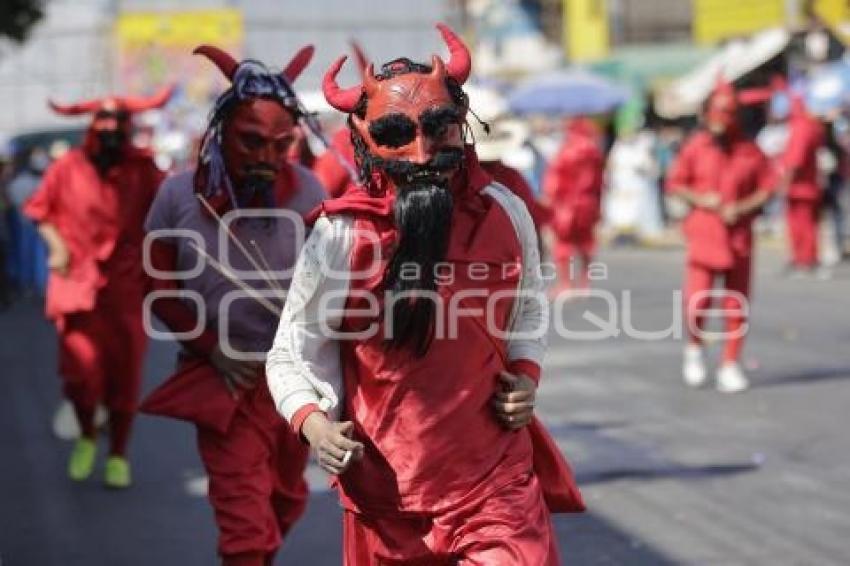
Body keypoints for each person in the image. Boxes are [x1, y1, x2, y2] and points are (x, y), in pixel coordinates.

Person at [266, 24, 583, 565]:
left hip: (495, 487)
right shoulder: (342, 235)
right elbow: (291, 348)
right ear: (367, 143)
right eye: (396, 135)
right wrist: (316, 425)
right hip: (388, 497)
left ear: (463, 126)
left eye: (438, 129)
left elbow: (528, 303)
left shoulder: (504, 211)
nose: (420, 153)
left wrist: (526, 376)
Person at [141, 44, 325, 566]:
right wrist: (210, 347)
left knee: (284, 502)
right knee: (244, 525)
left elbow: (332, 283)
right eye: (252, 141)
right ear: (222, 133)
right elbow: (155, 286)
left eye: (280, 144)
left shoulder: (309, 189)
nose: (266, 157)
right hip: (224, 381)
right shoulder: (177, 196)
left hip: (294, 384)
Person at [23, 86, 172, 487]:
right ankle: (88, 433)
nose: (109, 128)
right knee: (80, 378)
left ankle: (119, 454)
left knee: (125, 379)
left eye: (118, 122)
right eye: (102, 120)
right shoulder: (66, 167)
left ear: (128, 127)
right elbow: (39, 210)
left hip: (126, 290)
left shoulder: (144, 170)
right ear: (91, 126)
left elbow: (173, 209)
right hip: (76, 287)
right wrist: (55, 246)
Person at [666, 79, 776, 393]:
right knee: (697, 301)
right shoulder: (695, 147)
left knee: (736, 304)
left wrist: (741, 207)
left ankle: (730, 363)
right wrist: (701, 200)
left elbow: (767, 187)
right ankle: (695, 347)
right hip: (704, 233)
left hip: (739, 236)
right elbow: (675, 183)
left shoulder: (751, 151)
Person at [543, 117, 605, 293]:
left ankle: (566, 283)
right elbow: (600, 182)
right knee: (586, 242)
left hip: (567, 205)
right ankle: (585, 282)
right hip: (588, 203)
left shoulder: (566, 152)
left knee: (563, 244)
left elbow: (555, 181)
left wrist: (550, 200)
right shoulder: (595, 153)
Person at [776, 91, 825, 275]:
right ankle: (805, 257)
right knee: (807, 224)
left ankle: (804, 259)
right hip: (807, 185)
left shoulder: (801, 127)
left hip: (800, 187)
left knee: (801, 225)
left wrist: (785, 183)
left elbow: (795, 160)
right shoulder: (811, 126)